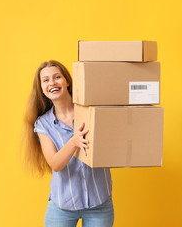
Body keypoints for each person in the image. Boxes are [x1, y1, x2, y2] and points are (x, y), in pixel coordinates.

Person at [22, 60, 114, 227]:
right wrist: (74, 142)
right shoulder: (43, 124)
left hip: (99, 203)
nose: (52, 83)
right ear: (42, 89)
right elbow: (55, 164)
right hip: (62, 206)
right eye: (46, 80)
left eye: (57, 77)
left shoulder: (91, 111)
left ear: (67, 81)